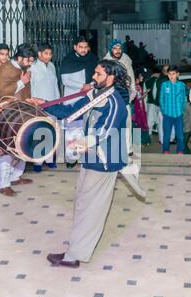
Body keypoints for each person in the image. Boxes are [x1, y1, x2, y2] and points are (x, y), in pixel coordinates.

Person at [28, 60, 129, 268]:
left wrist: (84, 142)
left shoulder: (115, 102)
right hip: (90, 158)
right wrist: (43, 103)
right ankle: (73, 250)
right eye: (95, 72)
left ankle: (73, 256)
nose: (94, 77)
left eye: (99, 74)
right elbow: (69, 111)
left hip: (104, 161)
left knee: (91, 210)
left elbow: (105, 130)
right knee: (83, 204)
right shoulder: (95, 96)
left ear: (111, 78)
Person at [0, 43, 35, 196]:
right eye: (28, 60)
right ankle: (3, 184)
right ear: (19, 58)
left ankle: (15, 176)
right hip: (7, 113)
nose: (30, 63)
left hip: (23, 112)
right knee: (7, 148)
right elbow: (3, 91)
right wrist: (21, 82)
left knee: (22, 144)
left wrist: (30, 101)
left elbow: (26, 91)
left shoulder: (24, 68)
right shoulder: (5, 68)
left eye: (31, 61)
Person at [60, 36, 99, 167]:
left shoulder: (93, 59)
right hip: (72, 100)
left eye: (85, 47)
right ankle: (71, 158)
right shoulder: (68, 60)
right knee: (72, 131)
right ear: (75, 47)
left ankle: (84, 156)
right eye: (80, 47)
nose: (83, 50)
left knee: (86, 129)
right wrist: (82, 85)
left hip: (89, 99)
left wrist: (91, 84)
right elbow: (66, 81)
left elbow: (99, 76)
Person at [30, 43, 60, 172]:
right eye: (46, 53)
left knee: (51, 131)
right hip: (39, 104)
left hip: (52, 103)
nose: (48, 56)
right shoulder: (33, 67)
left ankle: (49, 160)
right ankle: (37, 162)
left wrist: (58, 102)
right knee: (39, 132)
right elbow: (30, 87)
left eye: (50, 54)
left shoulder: (52, 66)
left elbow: (55, 85)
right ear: (39, 54)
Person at [104, 39, 136, 154]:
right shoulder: (105, 62)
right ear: (111, 49)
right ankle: (112, 148)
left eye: (119, 49)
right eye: (115, 48)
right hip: (110, 96)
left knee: (127, 122)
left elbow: (131, 78)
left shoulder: (127, 61)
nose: (117, 51)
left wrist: (132, 92)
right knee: (111, 122)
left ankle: (128, 149)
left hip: (124, 96)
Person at [159, 65, 187, 154]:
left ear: (177, 74)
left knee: (180, 135)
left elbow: (183, 99)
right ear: (167, 75)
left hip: (178, 115)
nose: (171, 76)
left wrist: (181, 110)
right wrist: (164, 111)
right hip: (167, 114)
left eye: (173, 74)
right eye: (170, 74)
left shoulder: (181, 85)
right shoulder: (164, 85)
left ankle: (180, 150)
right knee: (166, 134)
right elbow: (161, 99)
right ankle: (166, 150)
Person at [133, 72, 151, 145]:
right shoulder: (136, 87)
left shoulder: (137, 86)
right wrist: (146, 92)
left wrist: (145, 93)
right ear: (137, 78)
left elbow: (139, 98)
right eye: (141, 76)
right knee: (139, 123)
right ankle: (140, 141)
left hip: (139, 108)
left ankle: (140, 141)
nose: (142, 78)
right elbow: (139, 98)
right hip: (137, 109)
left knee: (139, 123)